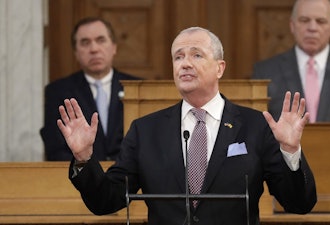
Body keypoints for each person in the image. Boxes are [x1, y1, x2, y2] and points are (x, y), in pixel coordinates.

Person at [57, 27, 316, 225]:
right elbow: (106, 201)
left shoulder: (255, 127)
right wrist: (83, 157)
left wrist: (290, 151)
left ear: (219, 68)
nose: (185, 63)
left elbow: (299, 203)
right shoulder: (145, 131)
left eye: (196, 55)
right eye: (178, 56)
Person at [40, 17, 142, 161]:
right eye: (85, 43)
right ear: (76, 52)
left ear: (114, 47)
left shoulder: (138, 87)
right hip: (81, 178)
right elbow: (55, 148)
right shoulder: (58, 91)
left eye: (101, 40)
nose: (94, 49)